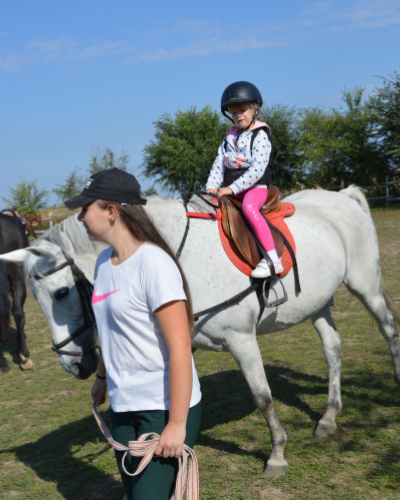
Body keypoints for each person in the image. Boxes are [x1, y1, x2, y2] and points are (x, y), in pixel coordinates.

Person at [64, 169, 202, 500]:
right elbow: (112, 331)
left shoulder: (152, 263)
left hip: (163, 405)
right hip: (123, 406)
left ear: (111, 211)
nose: (80, 217)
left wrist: (177, 424)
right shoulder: (102, 263)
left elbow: (181, 347)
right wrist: (101, 376)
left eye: (86, 209)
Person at [206, 80, 283, 279]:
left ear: (255, 109)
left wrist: (231, 189)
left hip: (255, 188)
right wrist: (212, 187)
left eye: (243, 109)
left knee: (249, 207)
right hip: (233, 189)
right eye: (233, 112)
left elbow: (258, 169)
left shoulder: (260, 135)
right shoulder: (229, 138)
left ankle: (273, 260)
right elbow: (219, 164)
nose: (238, 115)